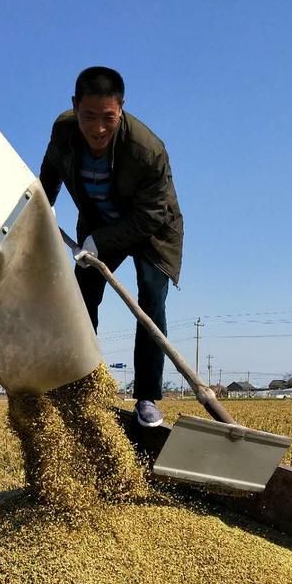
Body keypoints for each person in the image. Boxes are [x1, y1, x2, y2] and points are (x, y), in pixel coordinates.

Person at [40, 66, 184, 428]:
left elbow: (152, 214)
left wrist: (99, 241)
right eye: (89, 116)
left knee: (150, 298)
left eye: (109, 117)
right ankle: (81, 382)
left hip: (151, 229)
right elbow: (50, 172)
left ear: (121, 108)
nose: (99, 128)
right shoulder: (64, 130)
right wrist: (43, 205)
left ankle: (147, 397)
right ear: (75, 107)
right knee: (82, 293)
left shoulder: (147, 150)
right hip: (99, 221)